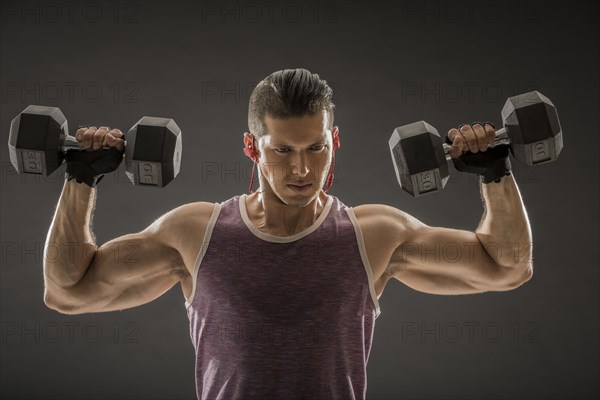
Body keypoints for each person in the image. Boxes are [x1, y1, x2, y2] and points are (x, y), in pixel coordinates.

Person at [43, 68, 533, 400]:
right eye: (282, 150)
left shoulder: (373, 236)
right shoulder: (196, 233)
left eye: (316, 147)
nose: (302, 168)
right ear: (251, 148)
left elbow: (506, 267)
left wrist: (495, 174)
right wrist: (81, 178)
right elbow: (68, 291)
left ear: (334, 141)